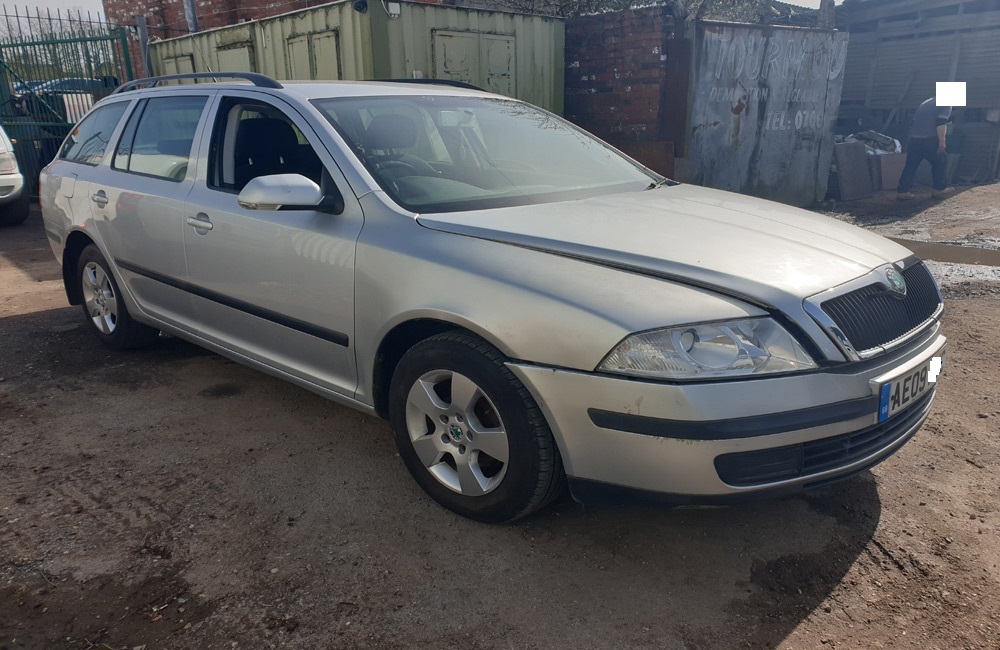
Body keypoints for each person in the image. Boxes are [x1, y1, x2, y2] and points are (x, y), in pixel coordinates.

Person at [897, 97, 953, 200]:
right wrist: (942, 142)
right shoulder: (946, 103)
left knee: (911, 166)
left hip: (914, 139)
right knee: (940, 162)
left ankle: (903, 191)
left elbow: (913, 122)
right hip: (930, 139)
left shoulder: (925, 102)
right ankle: (938, 190)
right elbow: (941, 122)